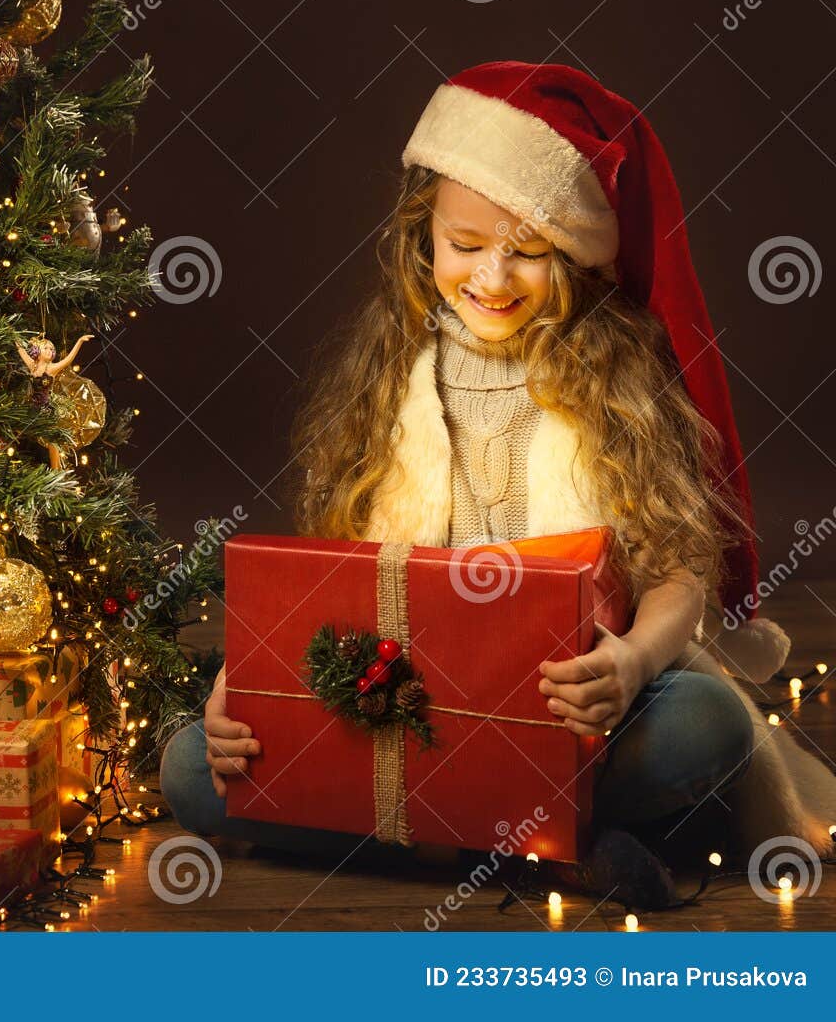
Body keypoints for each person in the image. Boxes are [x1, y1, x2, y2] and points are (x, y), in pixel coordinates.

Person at [161, 62, 836, 907]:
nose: (491, 276)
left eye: (527, 253)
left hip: (573, 722)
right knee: (194, 765)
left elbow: (679, 574)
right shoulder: (388, 372)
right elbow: (329, 582)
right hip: (410, 713)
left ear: (577, 253)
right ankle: (549, 841)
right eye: (466, 245)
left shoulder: (621, 375)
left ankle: (444, 836)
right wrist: (247, 688)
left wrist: (629, 661)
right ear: (425, 235)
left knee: (711, 723)